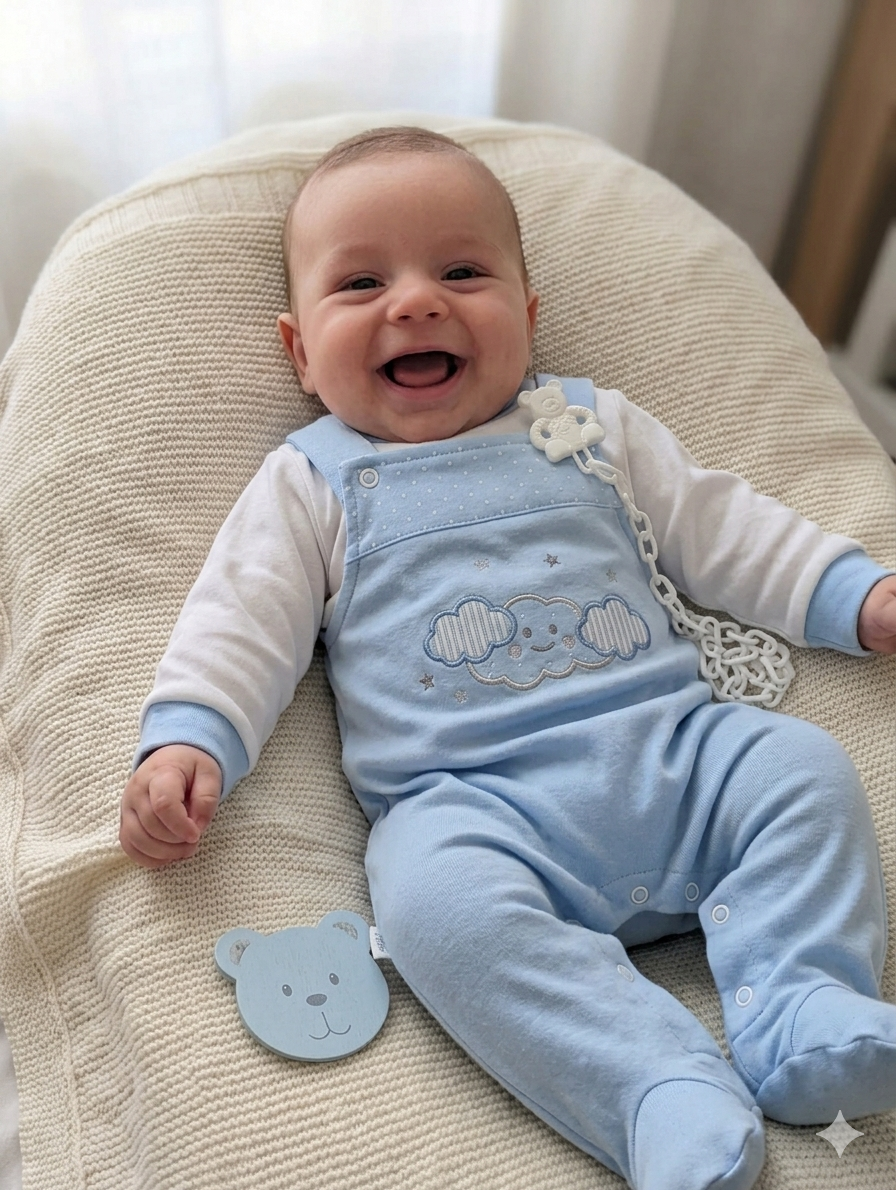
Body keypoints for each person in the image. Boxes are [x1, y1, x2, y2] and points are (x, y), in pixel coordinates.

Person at [119, 127, 896, 1190]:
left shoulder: (587, 426)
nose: (416, 301)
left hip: (675, 751)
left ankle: (800, 1004)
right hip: (473, 805)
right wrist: (189, 736)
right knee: (426, 903)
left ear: (527, 320)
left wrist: (852, 595)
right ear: (299, 353)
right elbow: (237, 620)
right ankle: (652, 1088)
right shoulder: (314, 481)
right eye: (361, 282)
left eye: (462, 271)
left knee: (799, 770)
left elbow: (721, 529)